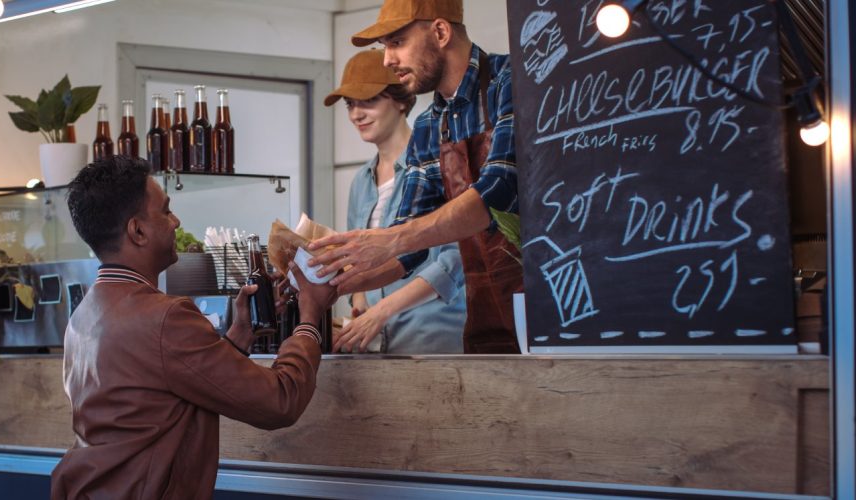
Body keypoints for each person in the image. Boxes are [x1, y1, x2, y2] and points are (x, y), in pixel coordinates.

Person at [51, 155, 338, 499]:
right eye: (166, 211)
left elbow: (171, 389)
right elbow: (279, 401)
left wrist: (239, 334)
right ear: (137, 231)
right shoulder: (165, 316)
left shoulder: (84, 314)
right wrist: (310, 319)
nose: (176, 221)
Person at [310, 0, 525, 353]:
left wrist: (391, 239)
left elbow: (497, 190)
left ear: (440, 32)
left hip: (542, 310)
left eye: (396, 42)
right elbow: (407, 254)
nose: (386, 60)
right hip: (484, 320)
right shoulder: (429, 125)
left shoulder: (511, 82)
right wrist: (326, 286)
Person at [327, 49, 466, 354]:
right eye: (350, 104)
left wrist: (383, 311)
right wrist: (360, 304)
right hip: (374, 343)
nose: (355, 115)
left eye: (368, 101)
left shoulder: (440, 164)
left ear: (402, 100)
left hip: (431, 340)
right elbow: (357, 258)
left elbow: (455, 261)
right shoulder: (360, 182)